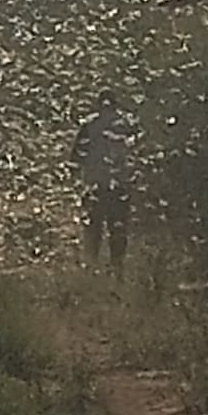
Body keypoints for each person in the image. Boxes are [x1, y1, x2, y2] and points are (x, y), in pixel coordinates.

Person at [70, 90, 141, 279]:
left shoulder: (88, 125)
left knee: (94, 231)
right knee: (117, 230)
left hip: (94, 187)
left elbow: (76, 158)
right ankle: (116, 271)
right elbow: (137, 155)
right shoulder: (127, 124)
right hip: (119, 187)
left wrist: (75, 181)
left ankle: (93, 271)